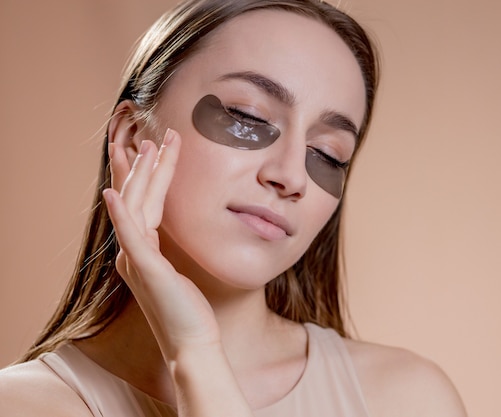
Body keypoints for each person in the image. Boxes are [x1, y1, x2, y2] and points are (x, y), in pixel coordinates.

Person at [0, 0, 466, 415]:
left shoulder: (407, 399)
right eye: (248, 117)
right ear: (133, 135)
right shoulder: (24, 405)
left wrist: (197, 354)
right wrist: (193, 348)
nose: (292, 176)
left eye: (327, 153)